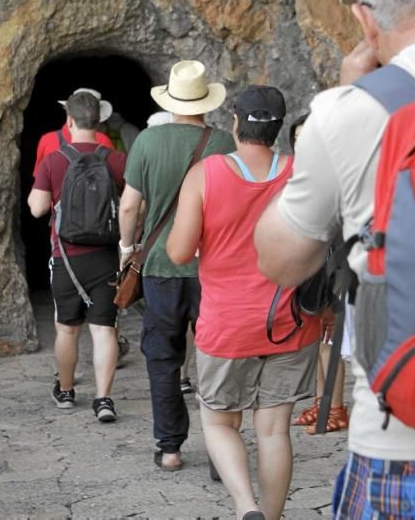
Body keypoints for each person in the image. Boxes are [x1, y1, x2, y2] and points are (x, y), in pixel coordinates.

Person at [254, 0, 415, 517]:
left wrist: (333, 112)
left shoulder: (351, 113)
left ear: (366, 19)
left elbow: (281, 260)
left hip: (410, 442)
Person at [166, 85, 320, 520]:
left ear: (235, 122)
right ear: (277, 127)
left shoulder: (206, 174)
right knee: (273, 430)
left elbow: (179, 252)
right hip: (290, 321)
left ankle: (245, 507)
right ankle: (270, 517)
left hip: (226, 324)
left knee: (218, 422)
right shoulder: (300, 172)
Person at [118, 60, 235, 472]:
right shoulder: (223, 142)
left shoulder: (148, 143)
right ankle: (224, 453)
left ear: (171, 101)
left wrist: (127, 247)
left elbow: (130, 204)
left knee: (163, 357)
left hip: (161, 268)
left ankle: (170, 448)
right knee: (216, 359)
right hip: (213, 270)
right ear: (207, 101)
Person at [28, 91, 126, 422]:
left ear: (69, 121)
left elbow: (38, 207)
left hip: (65, 257)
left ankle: (67, 391)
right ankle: (104, 400)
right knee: (104, 330)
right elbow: (130, 205)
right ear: (99, 120)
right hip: (106, 258)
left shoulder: (53, 159)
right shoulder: (113, 158)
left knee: (67, 329)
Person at [289, 114, 349, 434]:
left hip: (334, 266)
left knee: (329, 340)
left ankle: (335, 408)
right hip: (313, 266)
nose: (301, 143)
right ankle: (320, 401)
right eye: (296, 138)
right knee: (316, 339)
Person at [146, 109, 197, 395]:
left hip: (159, 259)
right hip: (201, 258)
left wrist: (128, 247)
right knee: (196, 323)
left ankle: (168, 434)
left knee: (163, 337)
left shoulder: (148, 152)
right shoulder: (212, 148)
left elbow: (131, 207)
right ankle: (187, 374)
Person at [33, 88, 115, 176]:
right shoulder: (103, 141)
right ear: (98, 118)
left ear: (69, 114)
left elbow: (39, 180)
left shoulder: (47, 140)